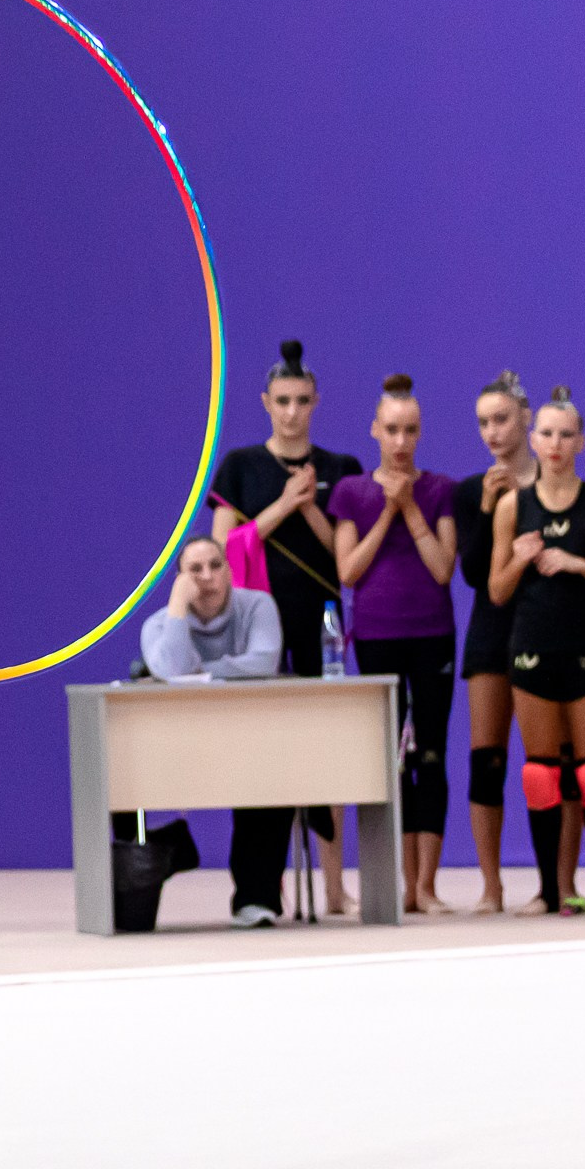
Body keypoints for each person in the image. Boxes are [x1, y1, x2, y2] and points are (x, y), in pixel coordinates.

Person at [210, 339, 360, 913]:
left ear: (316, 401)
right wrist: (281, 506)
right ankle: (261, 880)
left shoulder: (341, 469)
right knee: (260, 753)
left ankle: (334, 883)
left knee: (330, 749)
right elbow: (220, 551)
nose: (292, 411)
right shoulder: (242, 466)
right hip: (257, 627)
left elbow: (342, 556)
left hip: (321, 619)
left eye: (302, 400)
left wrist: (311, 505)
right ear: (266, 403)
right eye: (282, 401)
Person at [489, 387, 585, 915]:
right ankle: (548, 890)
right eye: (546, 433)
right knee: (540, 770)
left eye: (565, 434)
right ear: (533, 438)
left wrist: (581, 566)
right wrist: (522, 559)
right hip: (531, 647)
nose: (554, 443)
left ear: (581, 442)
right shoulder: (513, 506)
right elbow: (497, 591)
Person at [328, 374, 458, 915]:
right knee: (391, 760)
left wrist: (410, 508)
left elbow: (443, 568)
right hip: (378, 637)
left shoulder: (439, 490)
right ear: (374, 431)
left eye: (410, 431)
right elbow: (349, 571)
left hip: (432, 634)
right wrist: (387, 509)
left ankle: (424, 886)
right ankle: (394, 880)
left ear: (420, 432)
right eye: (392, 431)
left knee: (431, 755)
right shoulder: (352, 492)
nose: (401, 442)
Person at [140, 534, 289, 925]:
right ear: (180, 579)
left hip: (249, 740)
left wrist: (201, 673)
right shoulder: (160, 624)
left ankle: (255, 901)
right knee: (123, 780)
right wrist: (177, 606)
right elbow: (172, 671)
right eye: (195, 570)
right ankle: (130, 897)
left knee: (275, 777)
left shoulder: (258, 606)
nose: (207, 576)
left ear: (229, 570)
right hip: (180, 746)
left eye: (216, 565)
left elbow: (263, 662)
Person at [454, 370, 535, 913]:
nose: (493, 432)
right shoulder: (470, 492)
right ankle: (491, 884)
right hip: (491, 631)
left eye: (502, 419)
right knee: (488, 760)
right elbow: (473, 573)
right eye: (484, 422)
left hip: (548, 629)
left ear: (526, 419)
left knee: (552, 761)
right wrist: (486, 509)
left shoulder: (560, 485)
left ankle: (558, 879)